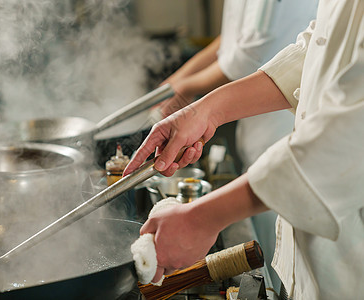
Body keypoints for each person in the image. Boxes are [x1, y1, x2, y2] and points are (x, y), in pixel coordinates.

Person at [124, 0, 364, 298]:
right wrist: (207, 110)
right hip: (310, 224)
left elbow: (348, 137)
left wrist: (203, 217)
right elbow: (319, 48)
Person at [156, 1, 318, 289]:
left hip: (293, 158)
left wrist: (203, 217)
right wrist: (204, 110)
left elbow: (338, 142)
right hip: (277, 157)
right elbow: (311, 51)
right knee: (285, 271)